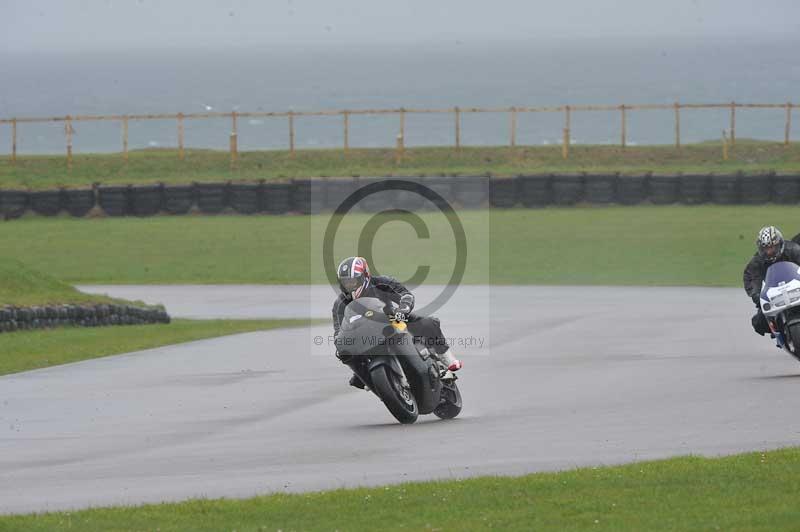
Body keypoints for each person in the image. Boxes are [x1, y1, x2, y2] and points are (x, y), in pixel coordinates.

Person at [332, 256, 462, 389]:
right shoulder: (340, 304)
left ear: (364, 276)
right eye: (345, 283)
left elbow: (405, 295)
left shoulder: (381, 283)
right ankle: (370, 381)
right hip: (364, 336)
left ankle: (446, 358)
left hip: (392, 318)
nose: (349, 286)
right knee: (350, 364)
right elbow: (338, 328)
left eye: (352, 282)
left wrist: (403, 308)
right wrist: (339, 340)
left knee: (429, 323)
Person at [743, 226, 800, 335]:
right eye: (766, 249)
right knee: (759, 323)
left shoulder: (793, 250)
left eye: (772, 247)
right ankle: (779, 333)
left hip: (796, 287)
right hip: (774, 293)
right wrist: (756, 294)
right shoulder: (757, 262)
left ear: (780, 244)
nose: (769, 252)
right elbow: (752, 278)